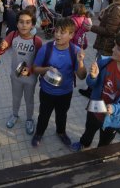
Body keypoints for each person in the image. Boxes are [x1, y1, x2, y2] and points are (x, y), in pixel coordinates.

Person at [70, 32, 120, 151]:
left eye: (119, 48)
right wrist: (93, 76)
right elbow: (91, 84)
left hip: (112, 120)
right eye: (115, 45)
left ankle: (100, 155)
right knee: (88, 130)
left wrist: (114, 109)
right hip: (94, 110)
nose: (113, 49)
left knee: (105, 143)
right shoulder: (105, 63)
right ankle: (84, 143)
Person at [31, 18, 87, 147]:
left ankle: (61, 132)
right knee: (44, 115)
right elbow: (34, 69)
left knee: (62, 115)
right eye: (56, 31)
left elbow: (82, 76)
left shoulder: (76, 51)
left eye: (62, 32)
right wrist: (47, 69)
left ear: (71, 35)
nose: (57, 35)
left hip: (65, 92)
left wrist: (81, 62)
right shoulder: (46, 49)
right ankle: (39, 133)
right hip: (47, 91)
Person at [0, 9, 43, 134]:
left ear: (32, 25)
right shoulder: (12, 35)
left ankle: (29, 119)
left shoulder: (37, 41)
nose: (24, 25)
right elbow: (1, 50)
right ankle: (14, 115)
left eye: (28, 22)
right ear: (17, 23)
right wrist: (2, 47)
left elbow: (40, 61)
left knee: (29, 100)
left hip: (30, 78)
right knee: (16, 98)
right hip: (15, 76)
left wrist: (32, 70)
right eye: (21, 22)